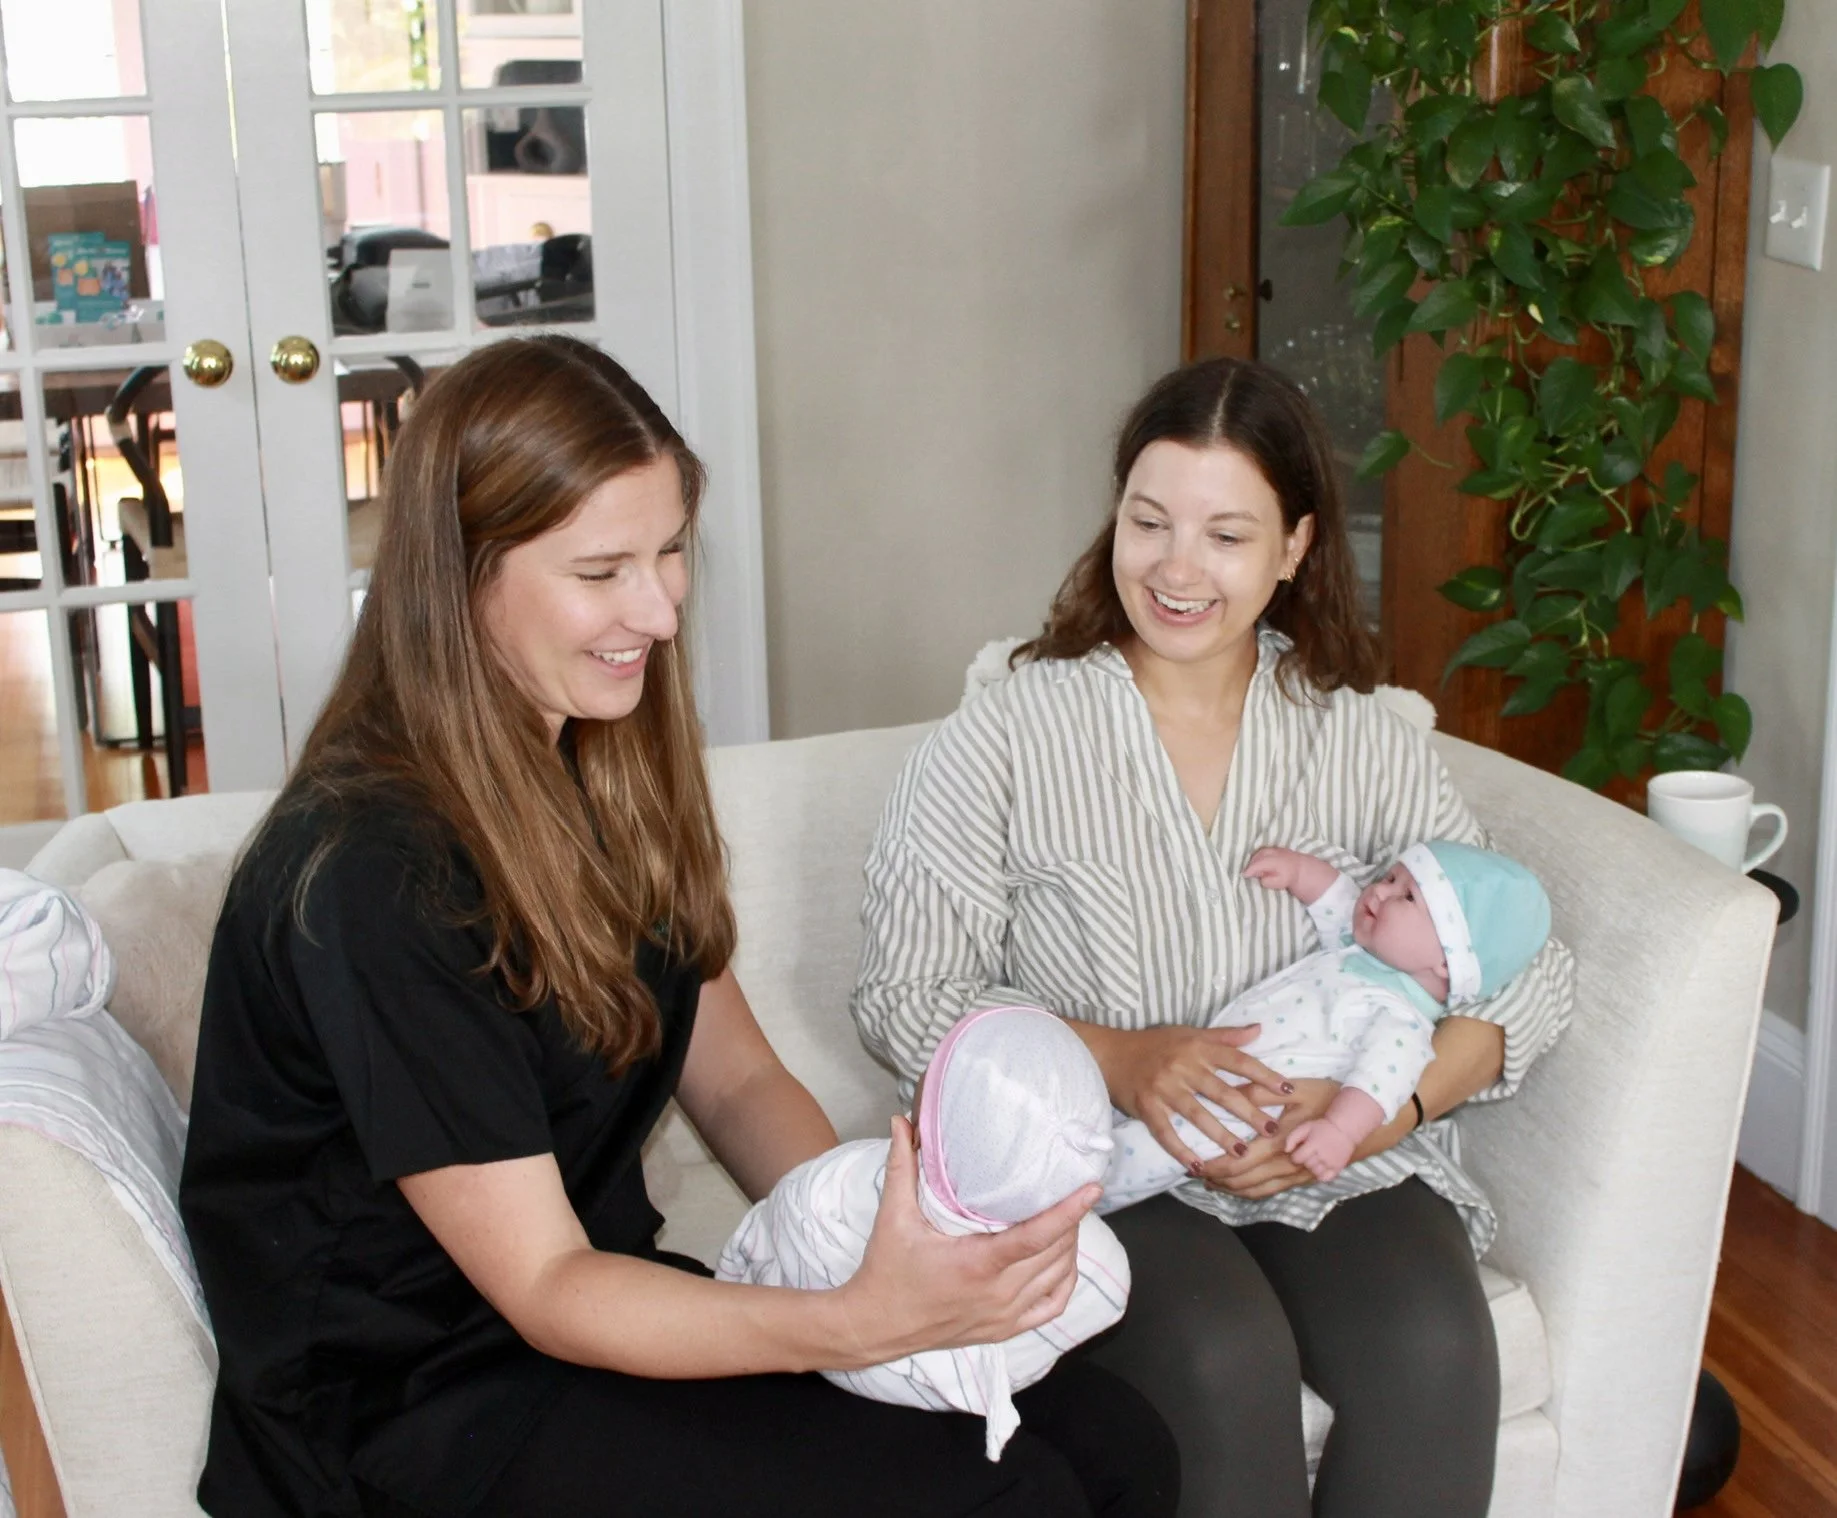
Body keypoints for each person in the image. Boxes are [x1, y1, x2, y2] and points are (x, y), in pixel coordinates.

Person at [177, 335, 1179, 1518]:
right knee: (1008, 1497)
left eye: (667, 552)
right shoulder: (372, 874)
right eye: (601, 570)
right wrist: (856, 1322)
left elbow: (739, 1081)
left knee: (1117, 1441)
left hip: (583, 1325)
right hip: (419, 1405)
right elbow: (545, 1284)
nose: (656, 611)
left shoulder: (601, 768)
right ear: (460, 577)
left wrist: (879, 1241)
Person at [853, 355, 1577, 1518]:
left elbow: (1523, 975)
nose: (1176, 569)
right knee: (1222, 1361)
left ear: (1295, 547)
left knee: (1434, 1348)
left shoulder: (1360, 738)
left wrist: (1369, 1115)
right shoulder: (1004, 735)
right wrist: (1119, 1058)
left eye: (1226, 536)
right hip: (1101, 1161)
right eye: (1148, 523)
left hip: (1327, 1145)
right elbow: (905, 993)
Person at [719, 1003, 1131, 1460]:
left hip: (840, 1371)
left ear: (918, 1125)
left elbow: (782, 1225)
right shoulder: (1086, 1251)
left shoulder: (838, 1186)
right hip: (816, 1347)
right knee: (1111, 1457)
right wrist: (859, 1321)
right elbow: (1107, 1294)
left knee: (1127, 1452)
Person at [1101, 840, 1551, 1209]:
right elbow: (1336, 895)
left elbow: (1377, 1088)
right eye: (1390, 878)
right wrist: (1298, 871)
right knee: (1121, 1116)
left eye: (1408, 896)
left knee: (1146, 1152)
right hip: (1207, 1073)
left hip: (1245, 1113)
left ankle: (1084, 1197)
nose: (1380, 892)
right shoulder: (1358, 949)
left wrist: (1339, 1132)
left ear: (1449, 962)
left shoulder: (1400, 1020)